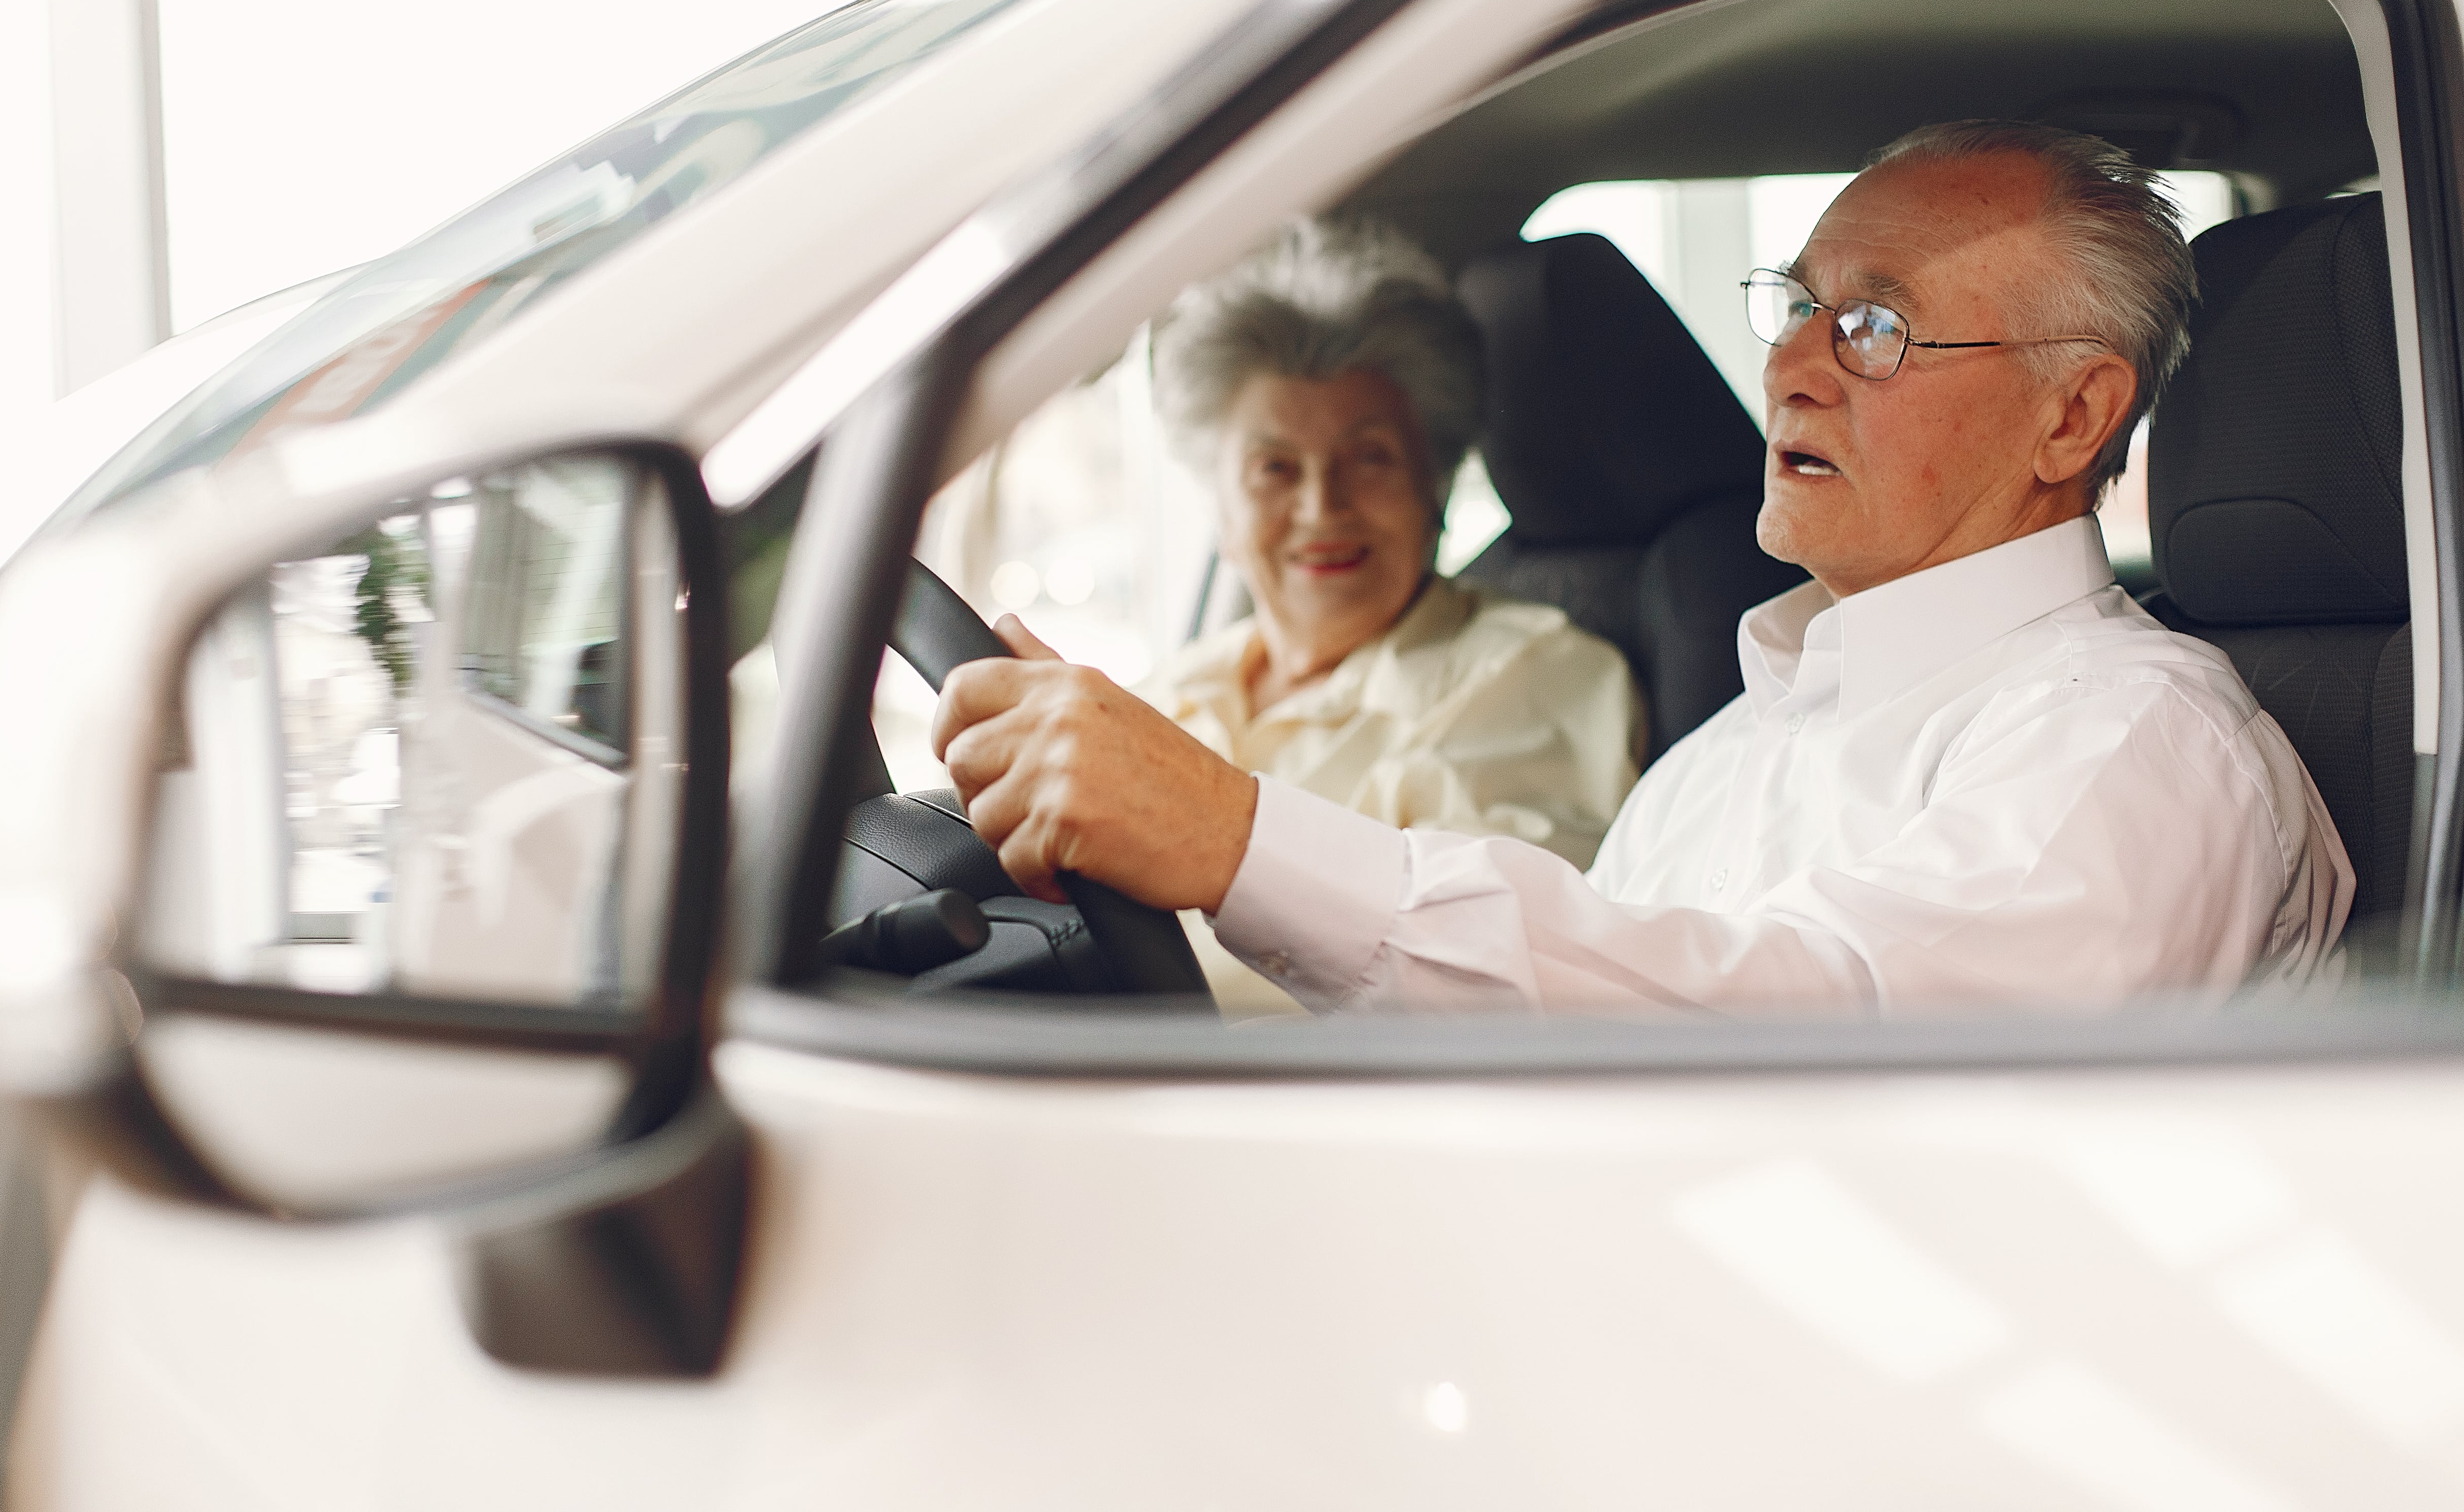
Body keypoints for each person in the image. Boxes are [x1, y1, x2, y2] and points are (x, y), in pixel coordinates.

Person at [935, 122, 2351, 1015]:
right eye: (1797, 306)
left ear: (2074, 414)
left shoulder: (2136, 741)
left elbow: (1823, 1033)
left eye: (1874, 327)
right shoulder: (1728, 752)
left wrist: (1236, 840)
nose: (1790, 365)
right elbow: (1555, 1034)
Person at [1139, 216, 1642, 870]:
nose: (1322, 509)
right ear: (1222, 506)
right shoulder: (1178, 687)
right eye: (1275, 469)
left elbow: (1492, 946)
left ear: (1434, 484)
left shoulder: (1535, 680)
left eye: (1369, 459)